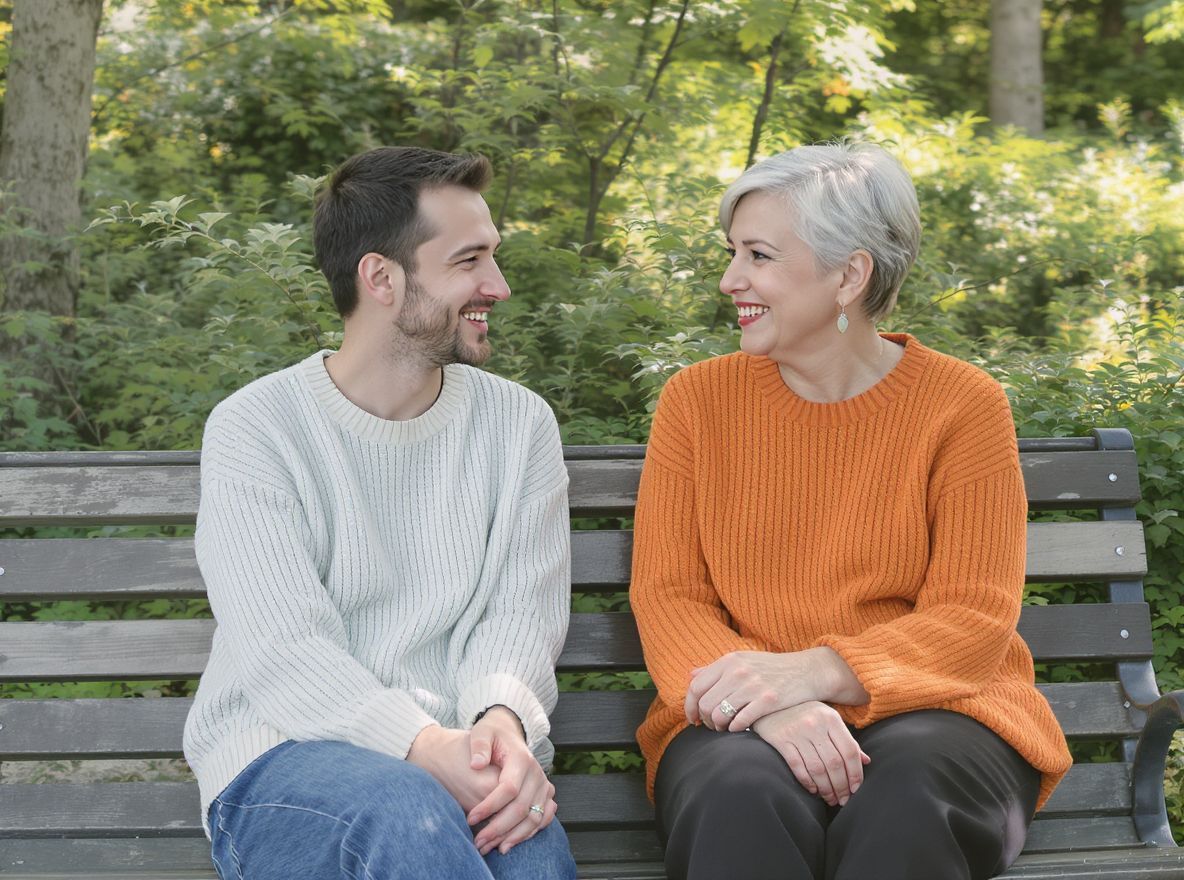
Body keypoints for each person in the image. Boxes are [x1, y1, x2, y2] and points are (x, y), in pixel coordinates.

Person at [631, 142, 1073, 880]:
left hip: (943, 713)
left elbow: (973, 616)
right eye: (732, 252)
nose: (730, 279)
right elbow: (670, 596)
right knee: (739, 794)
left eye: (758, 255)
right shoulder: (697, 402)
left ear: (849, 275)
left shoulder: (962, 405)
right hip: (737, 717)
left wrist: (815, 674)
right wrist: (769, 703)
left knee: (906, 799)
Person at [183, 146, 578, 880]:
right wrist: (423, 747)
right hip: (283, 760)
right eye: (470, 261)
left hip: (464, 755)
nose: (499, 285)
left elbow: (520, 614)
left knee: (529, 854)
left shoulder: (519, 424)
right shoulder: (258, 427)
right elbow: (283, 649)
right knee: (407, 811)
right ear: (381, 278)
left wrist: (499, 722)